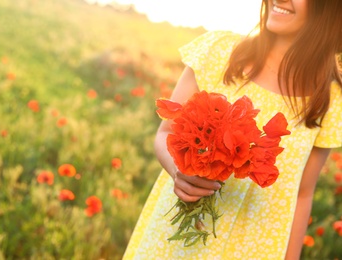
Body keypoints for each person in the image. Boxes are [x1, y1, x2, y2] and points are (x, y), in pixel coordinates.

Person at [123, 0, 342, 259]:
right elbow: (165, 133)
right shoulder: (218, 52)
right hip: (178, 241)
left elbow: (303, 194)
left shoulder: (330, 96)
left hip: (257, 246)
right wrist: (178, 171)